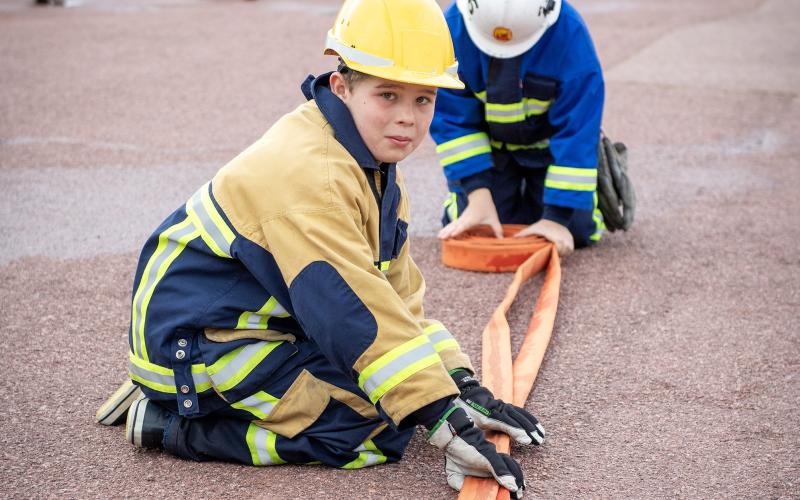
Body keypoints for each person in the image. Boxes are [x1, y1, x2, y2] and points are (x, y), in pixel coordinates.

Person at [105, 0, 545, 496]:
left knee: (398, 391)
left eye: (424, 99)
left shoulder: (368, 165)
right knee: (373, 430)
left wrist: (463, 385)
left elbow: (394, 303)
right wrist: (440, 415)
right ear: (341, 86)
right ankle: (171, 425)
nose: (407, 118)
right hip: (198, 344)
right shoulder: (314, 175)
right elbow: (349, 311)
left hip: (252, 321)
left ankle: (197, 401)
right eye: (388, 95)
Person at [431, 0, 605, 255]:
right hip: (489, 151)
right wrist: (476, 193)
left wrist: (557, 218)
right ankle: (471, 195)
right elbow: (453, 120)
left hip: (550, 151)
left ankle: (581, 203)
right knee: (485, 226)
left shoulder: (569, 34)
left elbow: (577, 130)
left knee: (576, 231)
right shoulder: (454, 30)